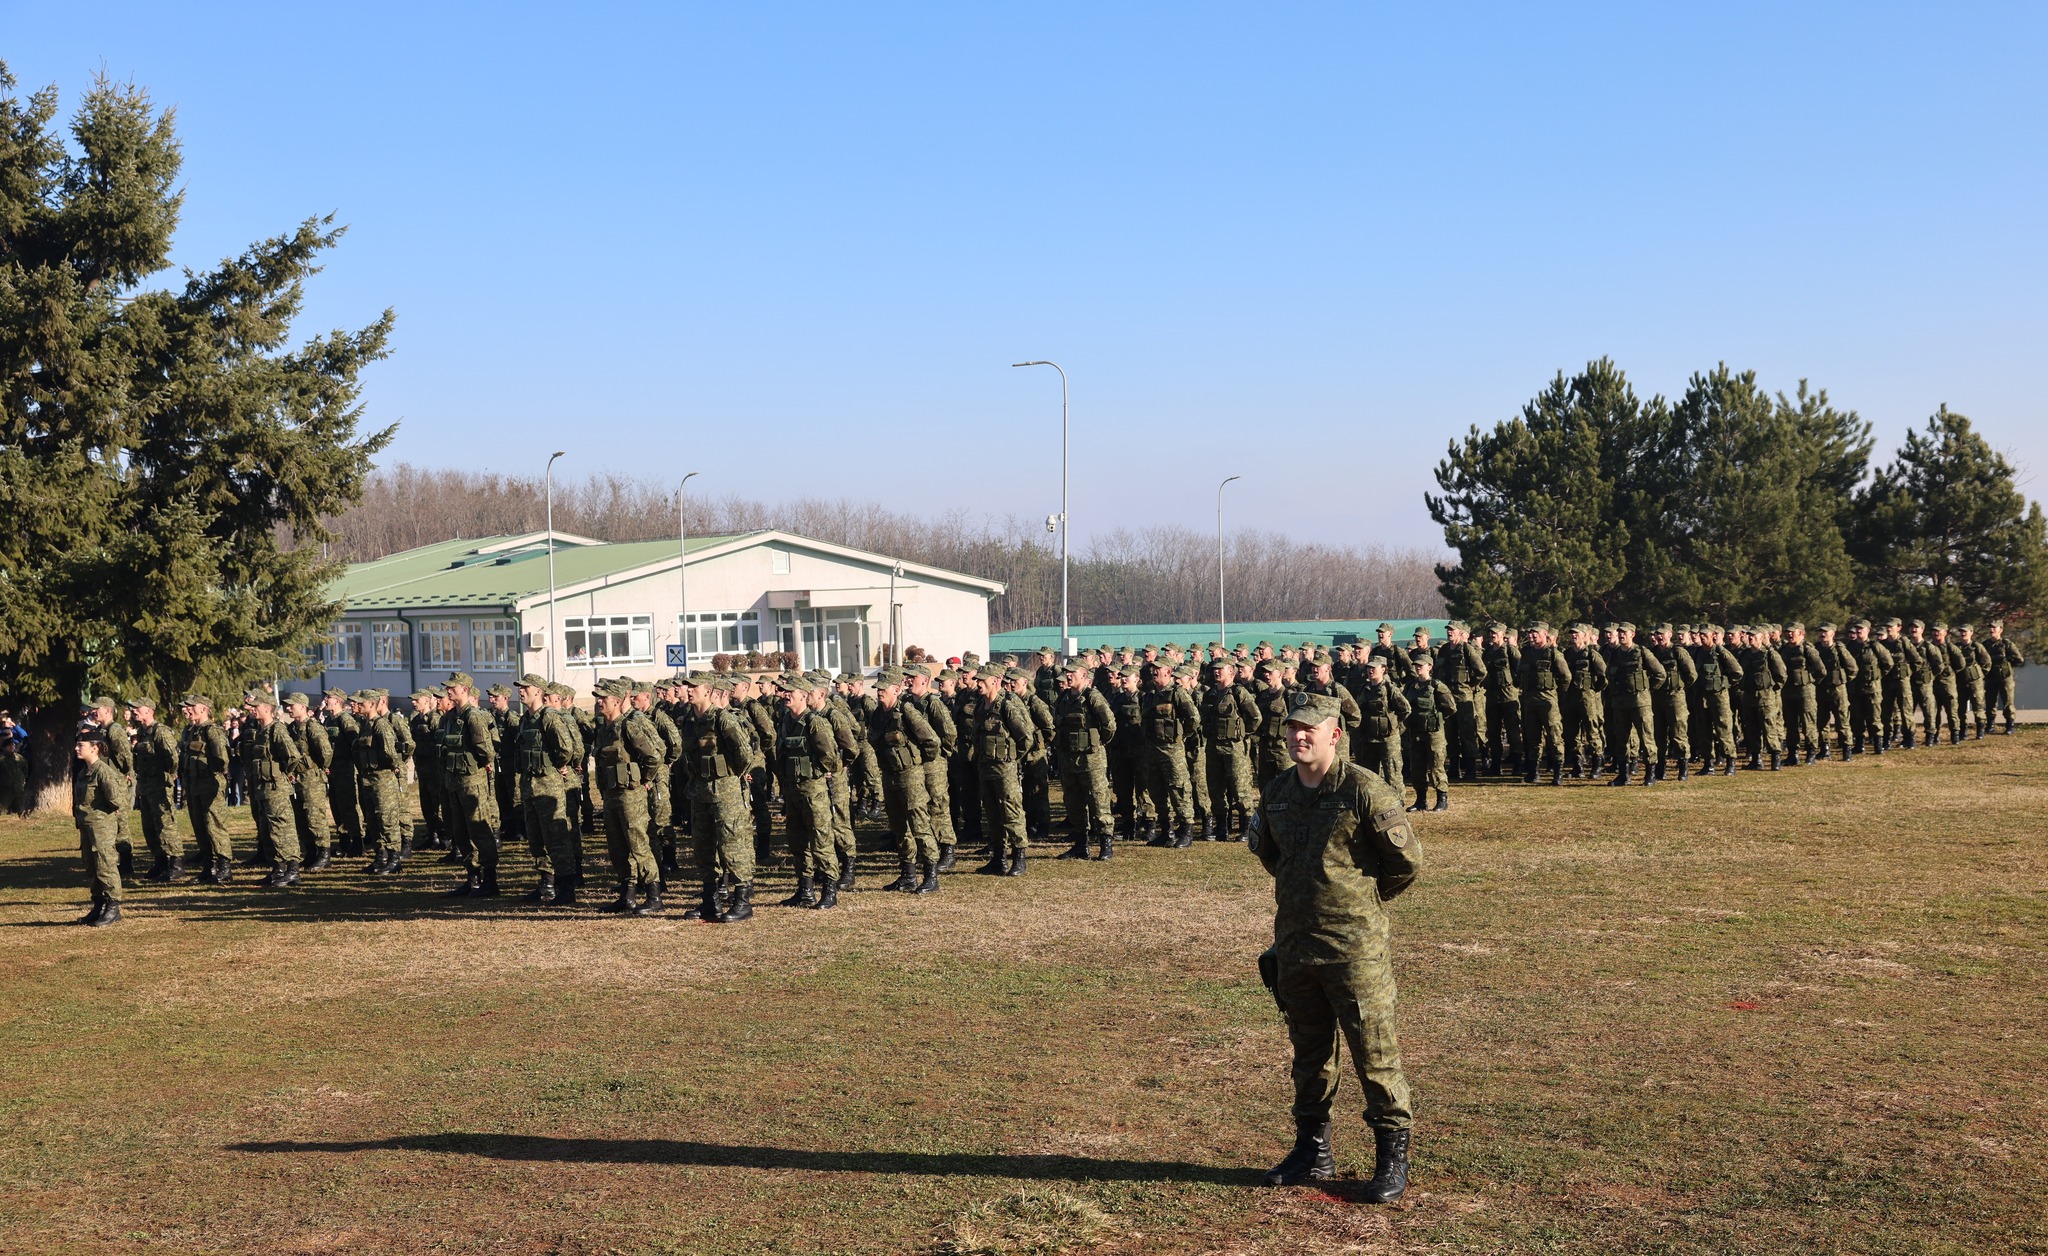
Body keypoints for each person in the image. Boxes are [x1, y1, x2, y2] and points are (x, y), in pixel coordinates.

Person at [1250, 690, 1418, 1202]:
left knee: (1374, 1053)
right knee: (1309, 1051)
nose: (1299, 736)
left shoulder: (1365, 790)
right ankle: (1312, 1149)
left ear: (1334, 734)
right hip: (1297, 945)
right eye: (1292, 727)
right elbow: (1270, 854)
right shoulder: (1278, 791)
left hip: (1354, 948)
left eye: (1310, 729)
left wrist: (1360, 906)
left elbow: (1405, 865)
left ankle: (1391, 1156)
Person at [868, 668, 943, 893]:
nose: (879, 692)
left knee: (920, 826)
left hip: (910, 776)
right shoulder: (878, 714)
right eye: (878, 689)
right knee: (899, 828)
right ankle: (908, 875)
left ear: (896, 690)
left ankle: (931, 875)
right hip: (889, 777)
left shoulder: (907, 710)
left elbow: (932, 740)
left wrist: (918, 762)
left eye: (884, 689)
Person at [438, 673, 502, 897]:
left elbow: (486, 750)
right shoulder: (449, 717)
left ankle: (490, 881)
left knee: (480, 830)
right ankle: (473, 878)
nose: (447, 691)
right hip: (454, 782)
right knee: (460, 832)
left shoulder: (472, 717)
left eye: (451, 688)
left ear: (464, 689)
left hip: (472, 782)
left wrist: (479, 767)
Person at [240, 689, 306, 887]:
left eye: (256, 706)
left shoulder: (277, 729)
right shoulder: (261, 730)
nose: (252, 710)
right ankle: (278, 869)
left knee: (282, 828)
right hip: (262, 788)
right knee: (269, 830)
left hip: (276, 788)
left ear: (267, 708)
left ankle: (292, 870)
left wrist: (283, 774)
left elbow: (293, 756)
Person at [1053, 662, 1119, 859]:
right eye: (1066, 672)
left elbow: (1109, 725)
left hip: (1091, 760)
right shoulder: (1064, 697)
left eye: (1072, 673)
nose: (1068, 676)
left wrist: (1096, 744)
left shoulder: (1092, 697)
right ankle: (1081, 845)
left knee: (1098, 801)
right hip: (1069, 758)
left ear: (1083, 675)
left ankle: (1106, 844)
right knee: (1074, 802)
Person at [71, 729, 128, 927]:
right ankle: (99, 905)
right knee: (91, 866)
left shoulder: (103, 771)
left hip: (101, 827)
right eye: (77, 745)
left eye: (81, 745)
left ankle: (113, 906)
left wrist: (109, 815)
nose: (77, 748)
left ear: (95, 748)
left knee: (105, 864)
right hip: (87, 826)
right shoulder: (84, 771)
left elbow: (117, 800)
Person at [178, 694, 235, 883]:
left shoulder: (212, 731)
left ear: (203, 709)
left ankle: (224, 867)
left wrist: (213, 773)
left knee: (214, 825)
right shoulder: (191, 731)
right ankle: (208, 867)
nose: (187, 710)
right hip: (194, 784)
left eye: (191, 707)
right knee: (199, 826)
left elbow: (222, 759)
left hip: (210, 784)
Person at [127, 696, 184, 881]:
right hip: (145, 787)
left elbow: (173, 758)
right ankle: (160, 862)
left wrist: (169, 774)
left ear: (149, 711)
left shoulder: (160, 731)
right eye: (133, 708)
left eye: (137, 708)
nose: (134, 711)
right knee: (149, 827)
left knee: (166, 824)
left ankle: (176, 863)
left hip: (160, 786)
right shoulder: (142, 733)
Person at [1984, 620, 2026, 733]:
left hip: (2005, 678)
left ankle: (2010, 725)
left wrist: (2007, 666)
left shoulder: (2007, 644)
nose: (1991, 630)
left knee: (2008, 702)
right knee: (1990, 702)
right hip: (1990, 677)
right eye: (1990, 628)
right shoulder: (1985, 644)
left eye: (1994, 627)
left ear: (2000, 630)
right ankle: (1990, 725)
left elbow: (2019, 659)